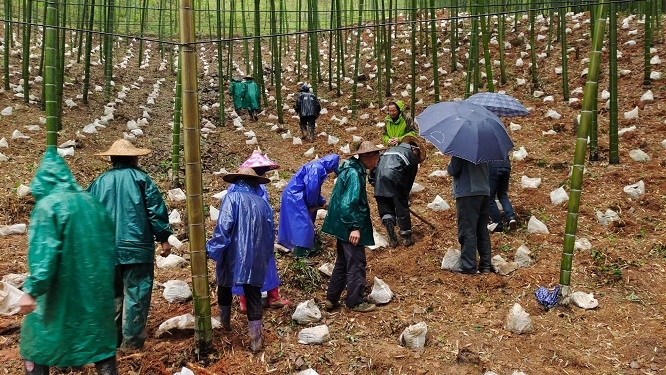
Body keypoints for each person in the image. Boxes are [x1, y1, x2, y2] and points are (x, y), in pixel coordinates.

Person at [19, 147, 118, 375]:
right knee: (99, 343)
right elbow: (108, 247)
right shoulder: (92, 203)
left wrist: (32, 291)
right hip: (94, 292)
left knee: (37, 343)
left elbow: (45, 257)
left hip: (59, 294)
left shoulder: (48, 207)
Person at [87, 139, 173, 351]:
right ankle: (132, 343)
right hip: (136, 248)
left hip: (105, 250)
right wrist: (163, 238)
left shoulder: (98, 182)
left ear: (111, 158)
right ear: (134, 158)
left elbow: (87, 213)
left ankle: (111, 341)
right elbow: (155, 211)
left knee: (112, 294)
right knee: (136, 293)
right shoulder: (142, 179)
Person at [206, 168, 275, 353]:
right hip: (256, 256)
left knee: (225, 285)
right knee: (253, 295)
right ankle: (256, 341)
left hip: (232, 253)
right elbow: (270, 234)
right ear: (254, 183)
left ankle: (224, 325)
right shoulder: (263, 203)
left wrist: (212, 249)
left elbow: (224, 227)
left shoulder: (232, 198)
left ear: (237, 181)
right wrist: (266, 256)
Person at [227, 150, 290, 312]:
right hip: (256, 233)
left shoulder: (235, 188)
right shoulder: (254, 187)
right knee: (265, 263)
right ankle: (268, 298)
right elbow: (263, 211)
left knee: (244, 265)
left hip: (241, 234)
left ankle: (247, 301)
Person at [323, 141, 381, 313]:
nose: (378, 159)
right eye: (376, 156)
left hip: (340, 226)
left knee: (342, 262)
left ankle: (331, 299)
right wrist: (354, 227)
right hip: (348, 226)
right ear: (367, 157)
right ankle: (354, 301)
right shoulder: (355, 174)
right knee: (356, 262)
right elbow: (348, 204)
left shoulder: (351, 170)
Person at [278, 154, 340, 258]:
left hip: (293, 194)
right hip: (295, 196)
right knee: (302, 223)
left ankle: (299, 246)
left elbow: (314, 190)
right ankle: (300, 253)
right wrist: (312, 204)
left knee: (297, 222)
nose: (330, 173)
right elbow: (311, 189)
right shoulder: (316, 168)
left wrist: (321, 202)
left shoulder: (317, 166)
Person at [371, 135, 426, 248]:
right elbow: (409, 180)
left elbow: (374, 169)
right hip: (396, 180)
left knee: (386, 208)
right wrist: (404, 197)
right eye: (418, 154)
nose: (417, 157)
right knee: (402, 209)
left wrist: (375, 183)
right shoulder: (411, 156)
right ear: (415, 149)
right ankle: (406, 237)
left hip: (379, 180)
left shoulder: (389, 150)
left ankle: (392, 238)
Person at [446, 156, 492, 275]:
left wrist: (450, 164)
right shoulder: (483, 149)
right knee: (482, 229)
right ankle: (485, 265)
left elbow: (452, 170)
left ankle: (468, 266)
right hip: (484, 191)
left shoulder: (461, 151)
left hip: (468, 193)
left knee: (467, 230)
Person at [488, 157, 517, 233]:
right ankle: (511, 217)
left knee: (490, 198)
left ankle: (497, 222)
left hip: (493, 166)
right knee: (502, 194)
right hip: (506, 165)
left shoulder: (485, 145)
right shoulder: (500, 145)